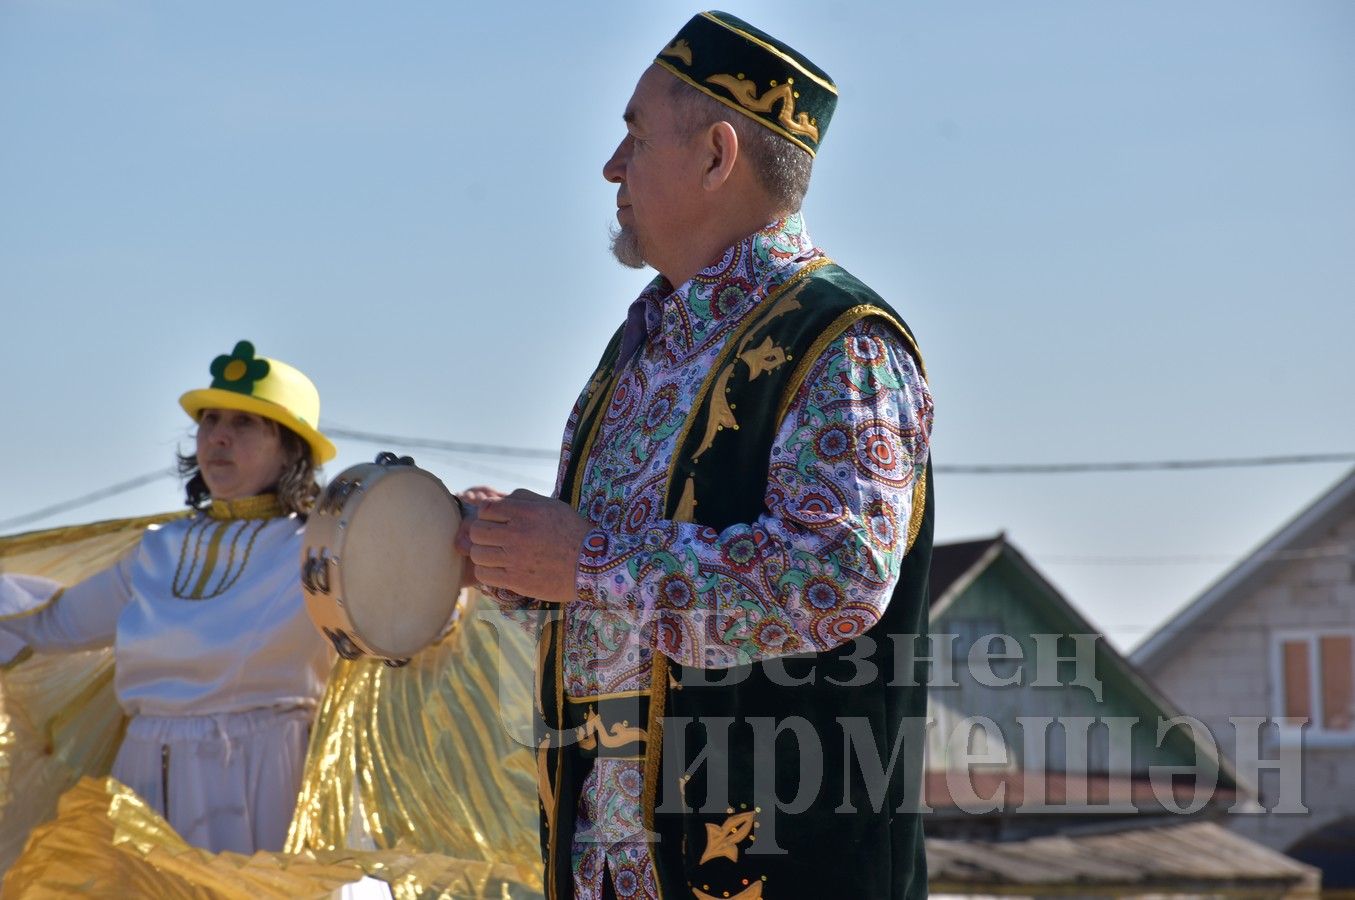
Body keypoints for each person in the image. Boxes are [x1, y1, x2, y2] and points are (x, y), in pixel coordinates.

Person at [461, 11, 935, 900]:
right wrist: (514, 560)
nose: (611, 167)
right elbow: (614, 613)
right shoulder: (639, 349)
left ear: (717, 156)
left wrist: (589, 559)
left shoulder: (839, 342)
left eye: (635, 137)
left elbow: (836, 579)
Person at [0, 339, 336, 855]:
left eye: (245, 423)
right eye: (210, 420)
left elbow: (413, 617)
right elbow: (48, 625)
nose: (218, 437)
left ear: (292, 448)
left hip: (263, 776)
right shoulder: (159, 548)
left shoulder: (320, 549)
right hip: (146, 775)